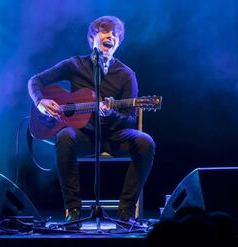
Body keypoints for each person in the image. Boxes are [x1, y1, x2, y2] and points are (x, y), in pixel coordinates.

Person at [28, 15, 155, 229]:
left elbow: (131, 120)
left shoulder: (126, 75)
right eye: (105, 32)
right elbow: (35, 81)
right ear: (91, 40)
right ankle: (73, 211)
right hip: (83, 135)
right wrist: (40, 102)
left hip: (114, 136)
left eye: (115, 35)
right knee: (65, 135)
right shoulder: (75, 65)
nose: (111, 37)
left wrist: (110, 114)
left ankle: (125, 214)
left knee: (145, 142)